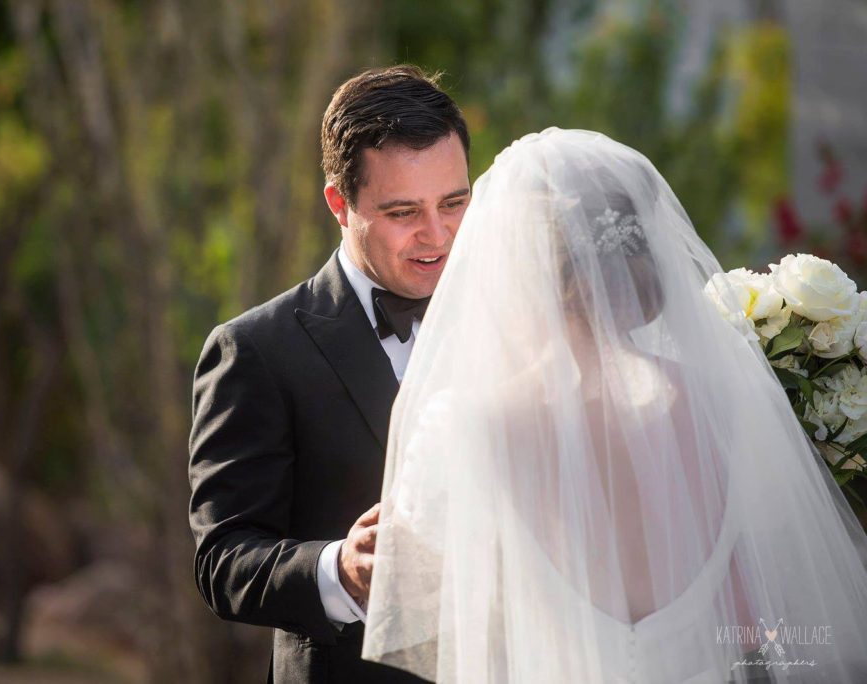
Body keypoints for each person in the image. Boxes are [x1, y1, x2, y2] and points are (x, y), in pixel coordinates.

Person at [362, 128, 867, 682]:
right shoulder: (728, 404)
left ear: (513, 273)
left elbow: (429, 618)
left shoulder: (465, 428)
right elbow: (763, 612)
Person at [188, 65, 471, 683]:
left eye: (454, 202)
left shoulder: (515, 320)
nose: (438, 234)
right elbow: (223, 561)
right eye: (403, 212)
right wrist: (339, 569)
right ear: (339, 204)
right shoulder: (255, 349)